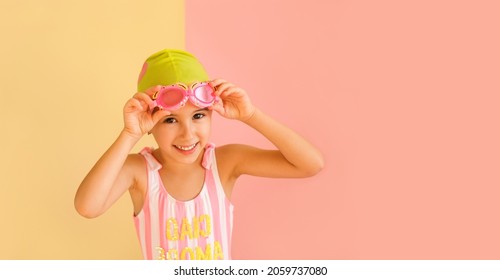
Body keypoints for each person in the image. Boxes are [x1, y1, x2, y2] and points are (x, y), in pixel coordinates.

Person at [75, 49, 324, 260]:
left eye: (198, 116)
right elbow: (87, 207)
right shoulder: (139, 171)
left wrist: (250, 115)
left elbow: (310, 164)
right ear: (149, 123)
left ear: (212, 114)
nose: (188, 134)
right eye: (170, 120)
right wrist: (130, 133)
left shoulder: (225, 163)